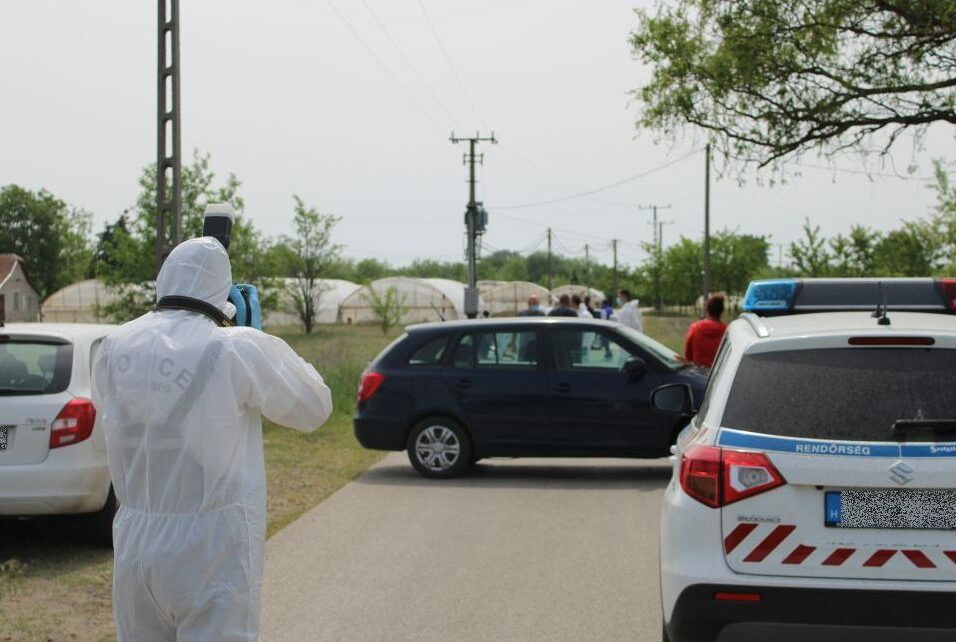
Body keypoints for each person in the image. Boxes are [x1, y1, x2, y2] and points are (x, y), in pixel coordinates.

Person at [91, 237, 333, 642]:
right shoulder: (236, 346)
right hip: (212, 545)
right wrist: (259, 338)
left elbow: (112, 433)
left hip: (135, 541)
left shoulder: (113, 346)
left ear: (165, 279)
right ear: (223, 290)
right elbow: (314, 407)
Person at [684, 294, 728, 368]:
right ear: (721, 311)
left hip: (697, 374)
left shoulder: (695, 328)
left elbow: (688, 356)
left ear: (707, 309)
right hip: (718, 376)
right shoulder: (727, 332)